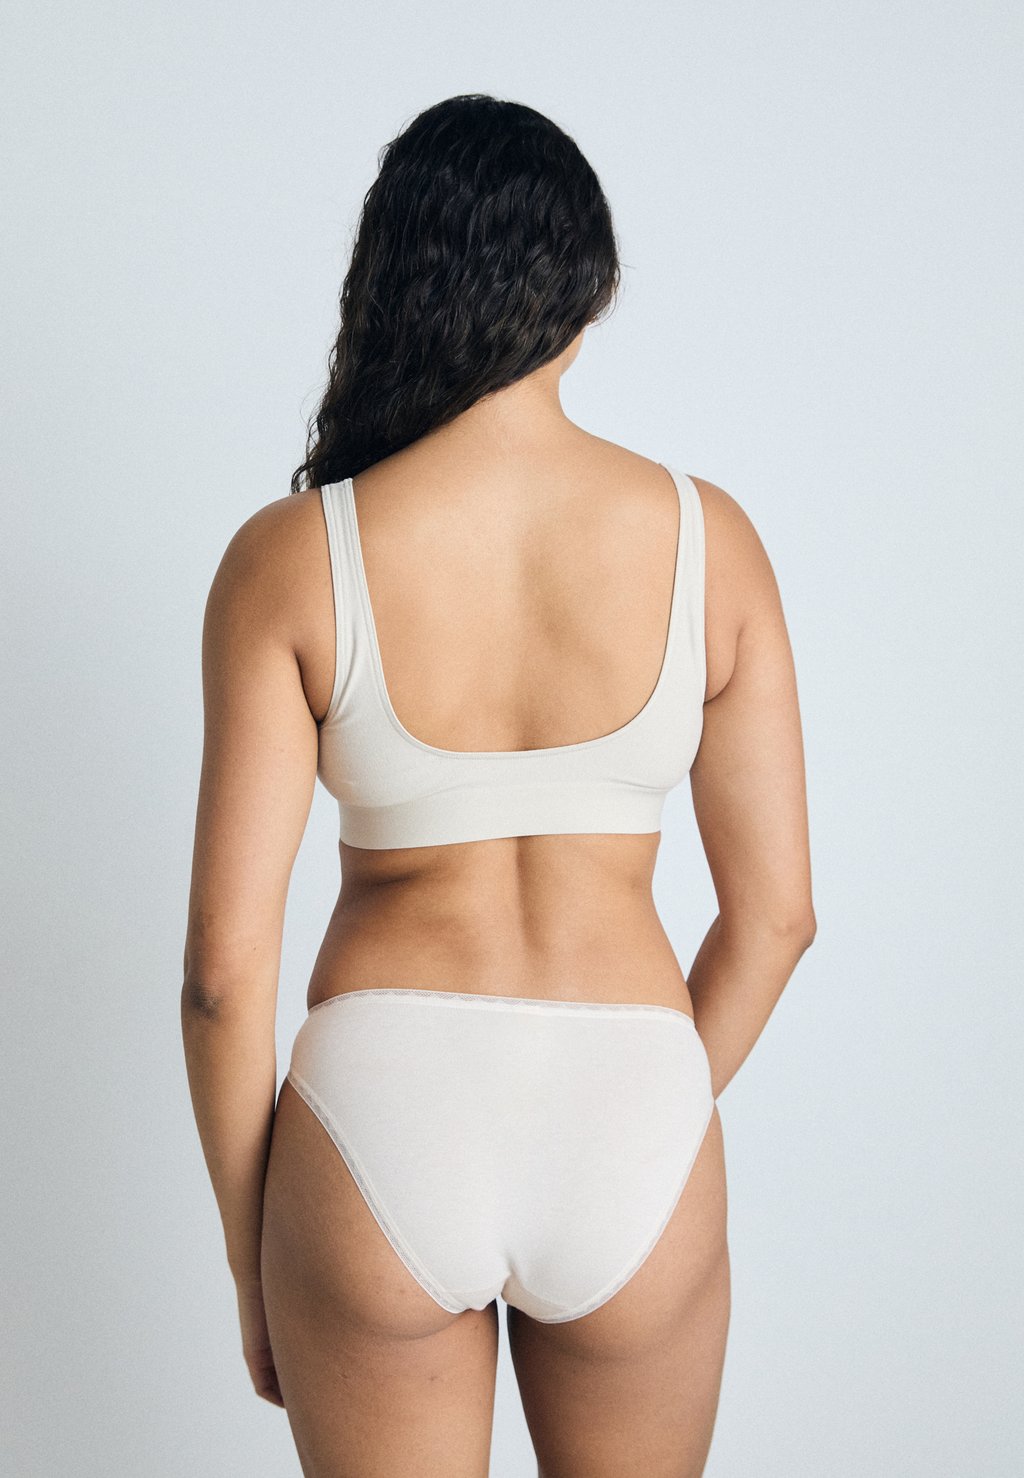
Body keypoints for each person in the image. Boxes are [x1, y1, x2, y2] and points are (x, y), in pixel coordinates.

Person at [181, 92, 816, 1478]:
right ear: (586, 291)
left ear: (393, 282)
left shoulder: (293, 557)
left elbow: (224, 973)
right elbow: (777, 918)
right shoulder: (712, 542)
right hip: (629, 1093)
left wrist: (252, 1251)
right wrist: (641, 1107)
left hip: (381, 1111)